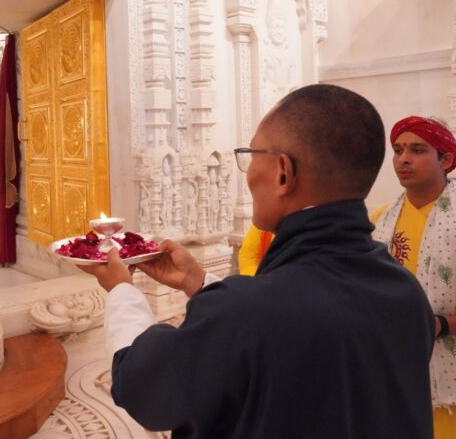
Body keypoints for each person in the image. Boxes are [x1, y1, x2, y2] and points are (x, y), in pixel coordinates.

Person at [81, 84, 435, 438]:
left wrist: (121, 291)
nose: (248, 172)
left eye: (251, 155)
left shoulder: (244, 311)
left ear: (283, 172)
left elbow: (145, 389)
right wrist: (198, 281)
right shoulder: (405, 291)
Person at [371, 116, 456, 439]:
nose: (403, 159)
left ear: (445, 159)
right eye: (398, 149)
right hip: (395, 368)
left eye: (417, 150)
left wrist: (440, 325)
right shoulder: (380, 219)